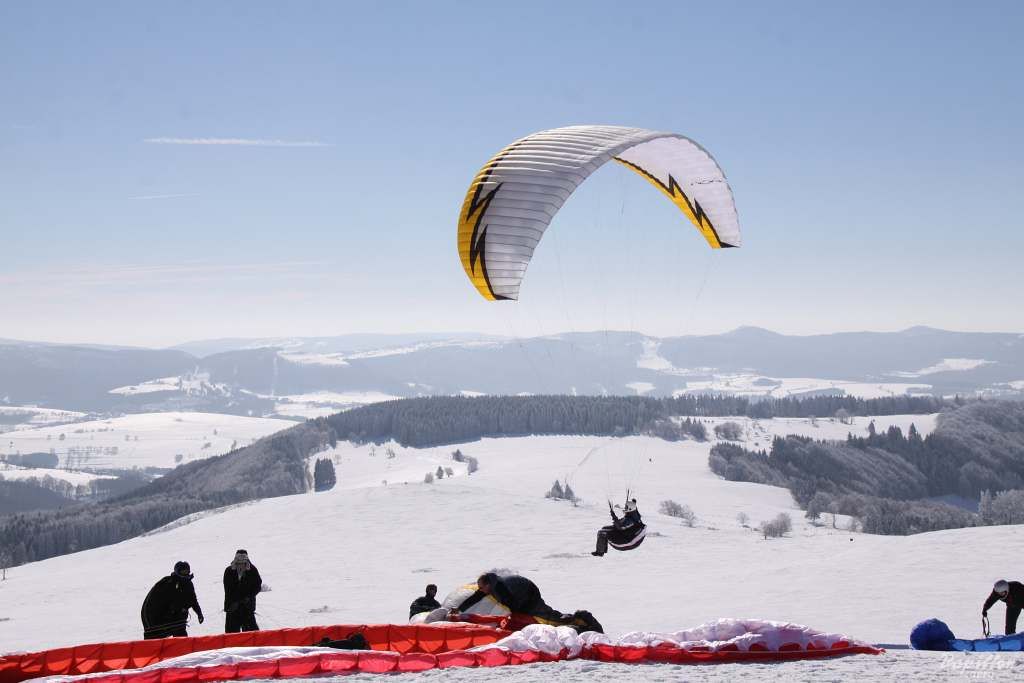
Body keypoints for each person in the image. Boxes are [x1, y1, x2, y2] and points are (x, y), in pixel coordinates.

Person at [141, 561, 204, 639]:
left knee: (181, 638)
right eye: (183, 571)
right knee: (155, 639)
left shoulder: (188, 584)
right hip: (165, 621)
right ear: (177, 572)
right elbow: (157, 602)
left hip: (179, 621)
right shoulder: (168, 583)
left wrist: (199, 613)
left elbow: (193, 600)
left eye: (187, 571)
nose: (185, 574)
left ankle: (181, 646)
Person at [223, 549, 262, 633]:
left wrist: (249, 597)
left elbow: (258, 586)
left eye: (243, 562)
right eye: (238, 562)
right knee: (232, 636)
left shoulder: (252, 570)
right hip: (232, 608)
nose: (240, 564)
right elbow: (228, 590)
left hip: (247, 608)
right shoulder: (229, 571)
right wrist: (233, 603)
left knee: (251, 635)